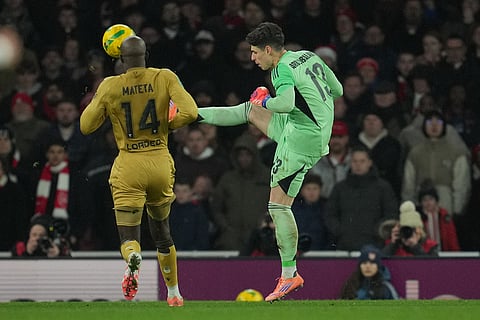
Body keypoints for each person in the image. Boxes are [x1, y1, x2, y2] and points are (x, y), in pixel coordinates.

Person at [196, 22, 343, 302]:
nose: (252, 58)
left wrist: (266, 100)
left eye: (254, 52)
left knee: (277, 206)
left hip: (301, 141)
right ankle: (189, 113)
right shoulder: (310, 56)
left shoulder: (280, 70)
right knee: (249, 111)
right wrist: (268, 104)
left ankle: (290, 276)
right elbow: (337, 91)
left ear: (267, 49)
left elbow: (285, 103)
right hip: (303, 127)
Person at [80, 35, 198, 306]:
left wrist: (105, 103)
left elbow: (86, 126)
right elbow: (190, 112)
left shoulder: (111, 85)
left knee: (129, 235)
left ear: (121, 60)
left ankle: (133, 255)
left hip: (129, 163)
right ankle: (174, 293)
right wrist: (168, 124)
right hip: (159, 160)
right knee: (162, 231)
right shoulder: (164, 77)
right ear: (146, 56)